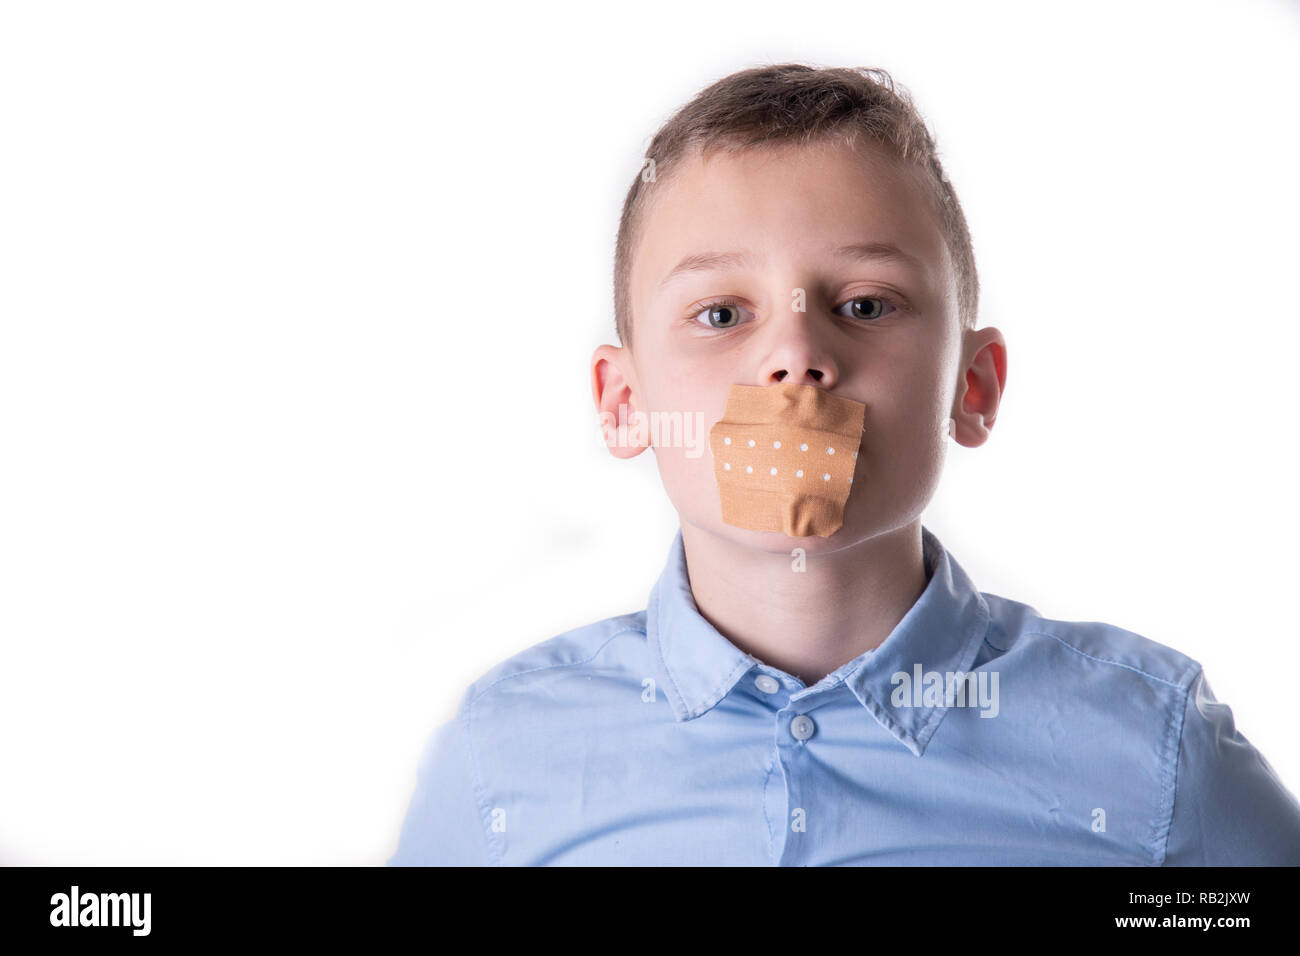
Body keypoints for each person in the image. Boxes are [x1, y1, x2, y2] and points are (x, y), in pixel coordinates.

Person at [388, 63, 1300, 865]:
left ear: (972, 387)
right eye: (720, 314)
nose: (794, 356)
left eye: (865, 305)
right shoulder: (500, 762)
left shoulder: (1155, 753)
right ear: (625, 404)